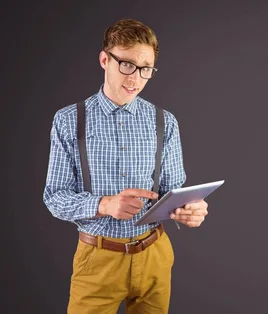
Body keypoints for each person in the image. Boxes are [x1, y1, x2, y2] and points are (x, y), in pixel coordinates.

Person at [42, 18, 208, 314]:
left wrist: (189, 210)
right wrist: (105, 204)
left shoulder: (164, 122)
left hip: (154, 254)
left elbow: (174, 191)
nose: (135, 78)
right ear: (105, 59)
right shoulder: (69, 120)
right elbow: (55, 197)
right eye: (127, 65)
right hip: (98, 259)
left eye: (146, 69)